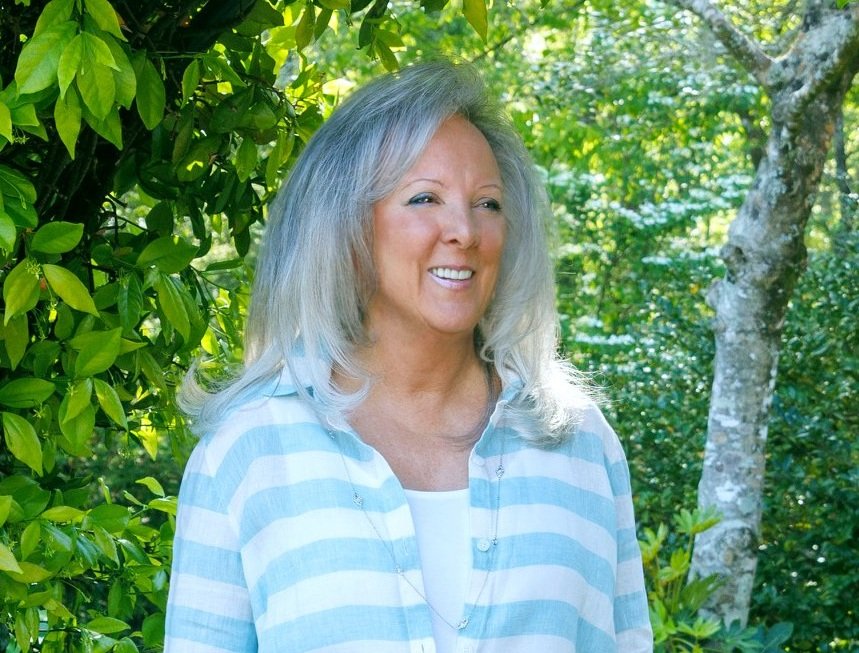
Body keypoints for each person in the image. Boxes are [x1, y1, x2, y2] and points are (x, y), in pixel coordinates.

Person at [164, 60, 653, 653]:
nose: (465, 232)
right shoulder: (248, 452)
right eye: (425, 198)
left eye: (488, 204)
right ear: (345, 227)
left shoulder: (578, 444)